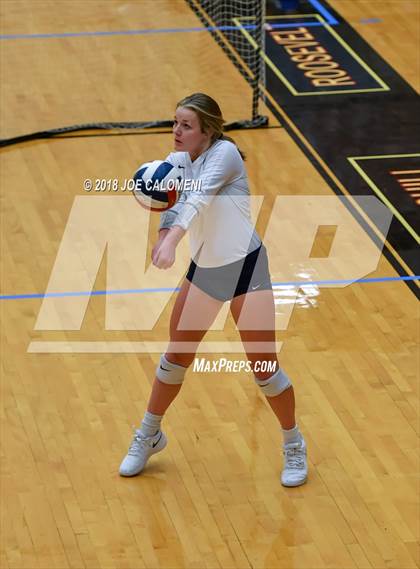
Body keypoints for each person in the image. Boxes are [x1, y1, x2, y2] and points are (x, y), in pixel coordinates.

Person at [119, 93, 307, 487]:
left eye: (186, 125)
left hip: (246, 271)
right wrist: (163, 232)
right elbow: (172, 204)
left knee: (264, 370)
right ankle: (149, 434)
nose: (176, 131)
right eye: (174, 123)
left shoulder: (225, 156)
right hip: (205, 273)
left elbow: (199, 198)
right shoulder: (178, 161)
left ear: (208, 130)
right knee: (174, 359)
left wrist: (171, 243)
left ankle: (293, 443)